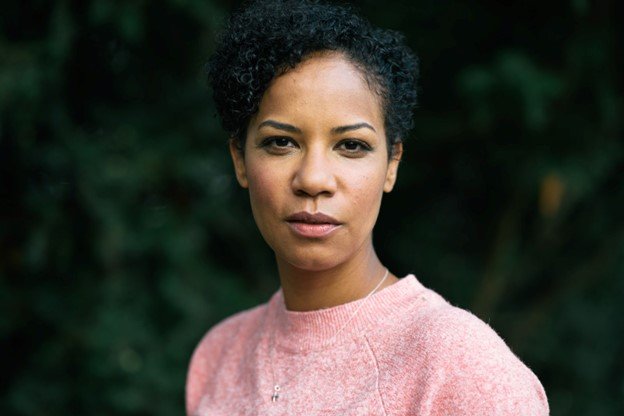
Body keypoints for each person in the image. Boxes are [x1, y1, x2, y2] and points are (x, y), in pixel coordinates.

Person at [186, 0, 549, 414]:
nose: (314, 179)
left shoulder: (459, 367)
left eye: (351, 146)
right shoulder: (218, 357)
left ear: (392, 163)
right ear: (240, 159)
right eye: (281, 142)